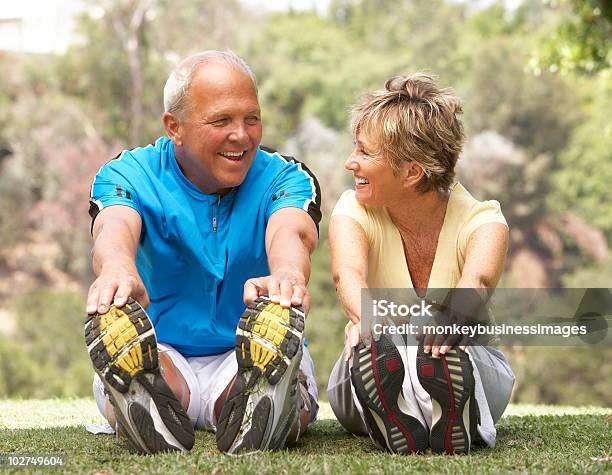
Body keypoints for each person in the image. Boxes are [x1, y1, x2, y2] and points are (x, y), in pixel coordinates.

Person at [84, 50, 321, 454]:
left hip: (246, 353)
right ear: (174, 127)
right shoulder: (128, 174)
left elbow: (291, 231)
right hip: (160, 349)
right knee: (156, 373)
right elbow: (114, 225)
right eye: (221, 121)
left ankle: (269, 400)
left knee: (260, 383)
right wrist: (118, 270)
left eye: (252, 118)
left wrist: (287, 275)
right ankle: (139, 394)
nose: (242, 136)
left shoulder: (285, 177)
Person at [326, 73, 515, 455]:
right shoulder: (353, 210)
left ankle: (417, 407)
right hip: (369, 354)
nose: (351, 163)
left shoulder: (484, 221)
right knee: (380, 344)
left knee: (428, 323)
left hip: (466, 361)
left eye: (365, 152)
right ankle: (421, 409)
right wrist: (367, 320)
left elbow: (475, 281)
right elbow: (348, 274)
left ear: (412, 172)